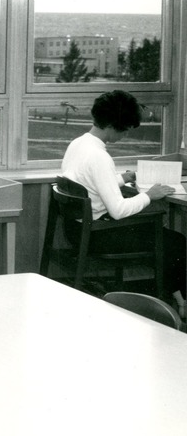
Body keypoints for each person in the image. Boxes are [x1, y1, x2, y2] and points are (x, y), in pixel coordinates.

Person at [61, 89, 186, 314]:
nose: (126, 134)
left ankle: (176, 297)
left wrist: (122, 178)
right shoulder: (100, 157)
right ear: (112, 125)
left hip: (76, 229)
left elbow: (91, 185)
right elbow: (118, 211)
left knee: (168, 239)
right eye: (125, 129)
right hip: (98, 235)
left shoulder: (79, 144)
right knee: (176, 242)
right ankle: (177, 301)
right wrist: (149, 195)